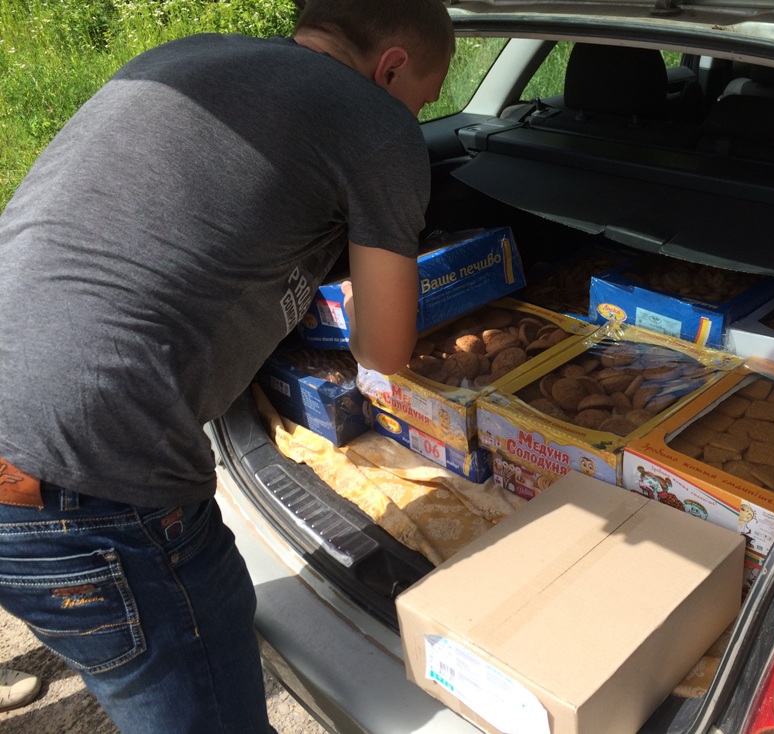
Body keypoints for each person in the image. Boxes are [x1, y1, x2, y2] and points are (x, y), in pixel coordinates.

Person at [0, 0, 454, 731]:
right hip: (88, 476)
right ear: (392, 67)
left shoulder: (182, 56)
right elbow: (383, 350)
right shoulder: (374, 119)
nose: (416, 116)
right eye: (424, 102)